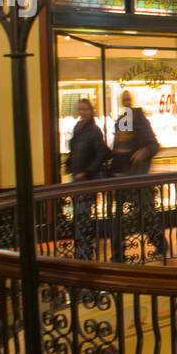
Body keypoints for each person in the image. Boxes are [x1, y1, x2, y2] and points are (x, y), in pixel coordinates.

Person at [111, 89, 168, 261]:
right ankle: (118, 253)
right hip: (124, 177)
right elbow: (119, 148)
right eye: (125, 100)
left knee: (146, 215)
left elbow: (154, 145)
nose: (127, 102)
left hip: (137, 178)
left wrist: (144, 151)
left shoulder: (139, 121)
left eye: (129, 99)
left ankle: (160, 246)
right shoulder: (121, 122)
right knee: (123, 218)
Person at [64, 98, 109, 260]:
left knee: (82, 213)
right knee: (79, 214)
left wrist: (87, 172)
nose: (82, 112)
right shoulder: (79, 128)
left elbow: (102, 153)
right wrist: (69, 164)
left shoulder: (94, 131)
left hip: (86, 179)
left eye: (85, 109)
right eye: (80, 109)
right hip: (78, 176)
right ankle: (82, 249)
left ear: (91, 111)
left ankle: (85, 250)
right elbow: (74, 149)